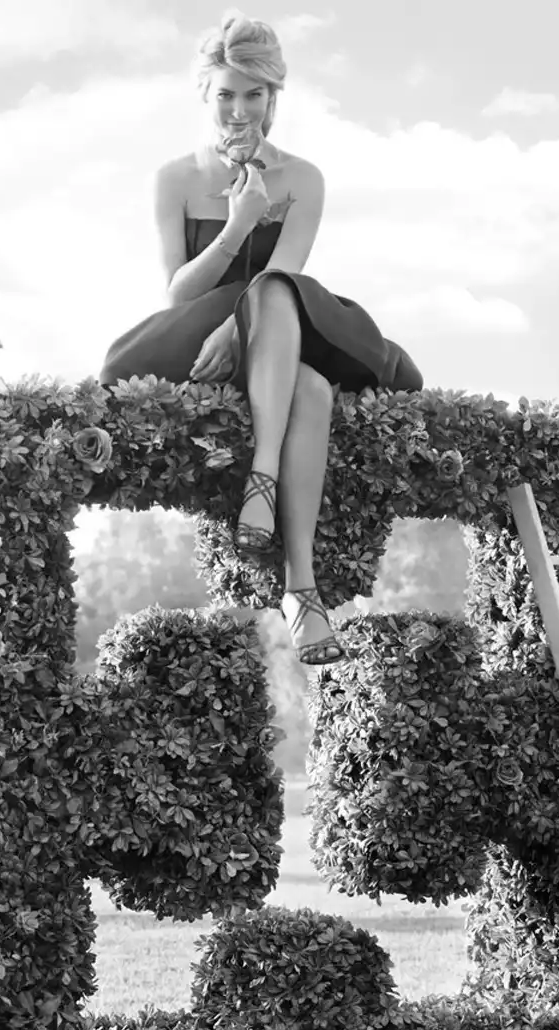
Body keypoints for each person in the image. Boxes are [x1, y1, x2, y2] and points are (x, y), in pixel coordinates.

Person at [98, 13, 424, 667]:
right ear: (205, 95)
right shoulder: (175, 178)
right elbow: (179, 294)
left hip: (275, 333)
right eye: (226, 94)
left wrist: (241, 319)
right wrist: (240, 221)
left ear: (274, 98)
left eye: (254, 95)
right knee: (273, 319)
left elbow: (285, 281)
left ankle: (297, 584)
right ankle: (271, 496)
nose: (239, 109)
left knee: (310, 380)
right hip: (194, 340)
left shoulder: (303, 179)